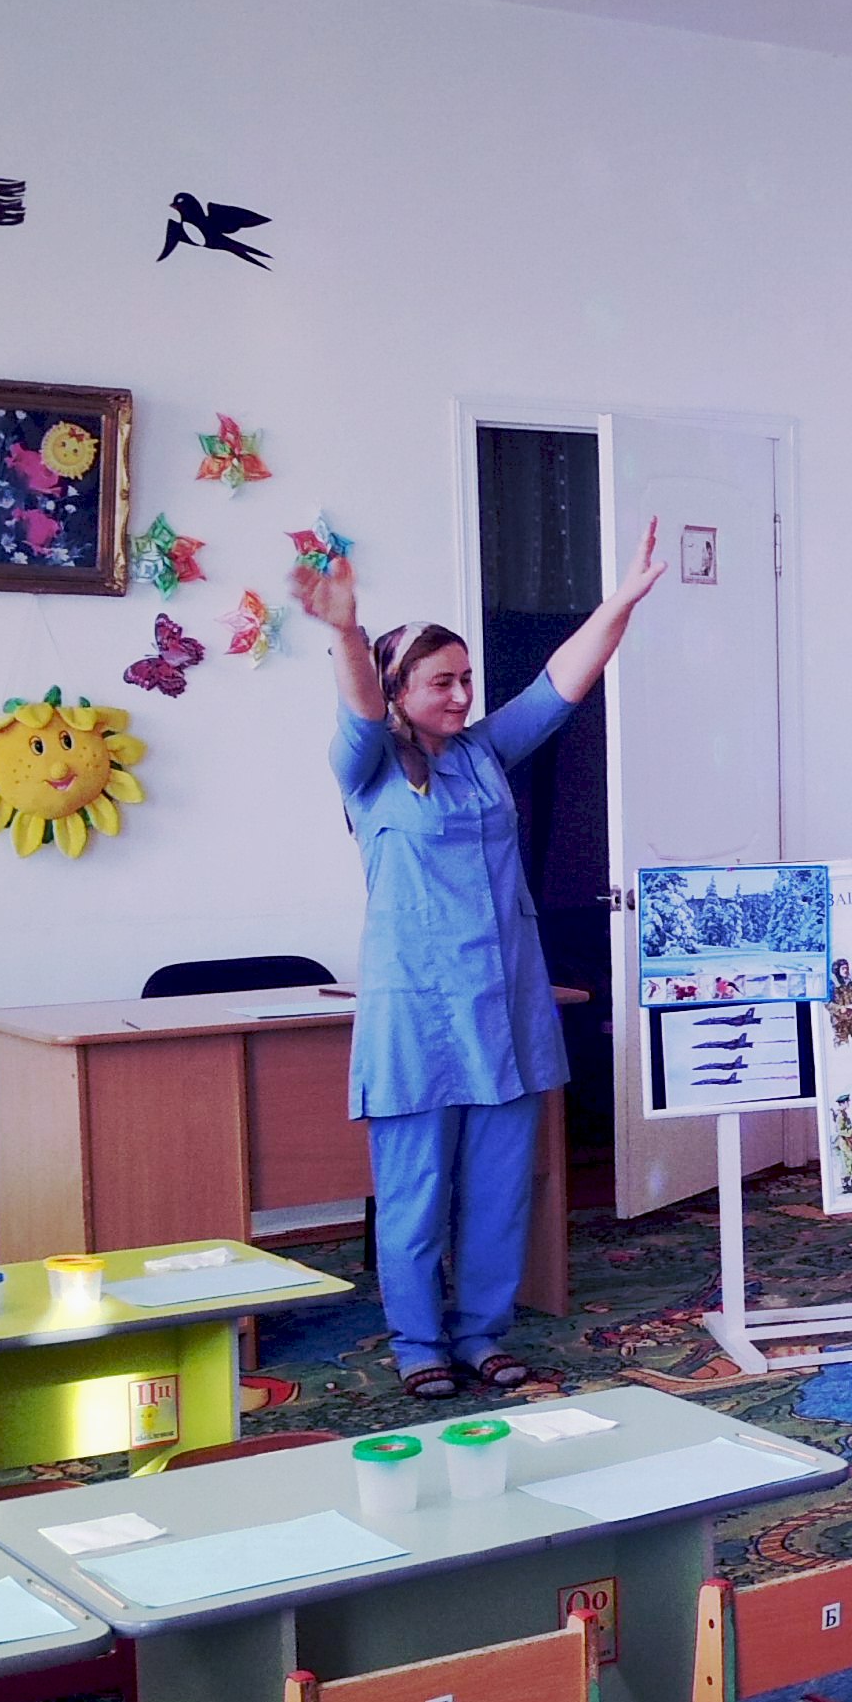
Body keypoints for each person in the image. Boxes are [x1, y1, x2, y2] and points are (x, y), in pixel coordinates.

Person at [301, 519, 664, 1402]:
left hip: (506, 1007)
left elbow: (561, 684)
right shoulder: (368, 767)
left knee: (501, 1192)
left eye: (467, 679)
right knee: (417, 1195)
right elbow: (358, 706)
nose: (463, 695)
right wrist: (346, 630)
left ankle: (481, 1334)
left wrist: (619, 602)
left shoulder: (486, 754)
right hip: (417, 1018)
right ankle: (418, 1342)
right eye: (443, 681)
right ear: (399, 688)